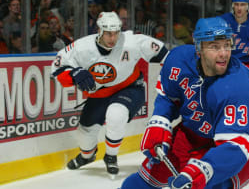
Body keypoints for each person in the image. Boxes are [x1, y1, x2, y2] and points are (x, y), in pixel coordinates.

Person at [121, 16, 249, 189]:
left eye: (227, 45)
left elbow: (235, 147)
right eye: (215, 46)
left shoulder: (237, 87)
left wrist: (199, 172)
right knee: (142, 182)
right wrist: (159, 123)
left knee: (211, 186)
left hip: (242, 148)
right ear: (198, 48)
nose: (223, 53)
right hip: (193, 134)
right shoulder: (179, 59)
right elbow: (168, 97)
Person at [50, 12, 168, 177]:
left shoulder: (131, 41)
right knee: (84, 133)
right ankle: (87, 156)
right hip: (100, 94)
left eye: (116, 33)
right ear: (99, 30)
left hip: (130, 87)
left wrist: (180, 69)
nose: (113, 38)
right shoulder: (82, 47)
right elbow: (57, 67)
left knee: (116, 114)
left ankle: (111, 156)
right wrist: (73, 73)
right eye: (108, 33)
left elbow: (164, 54)